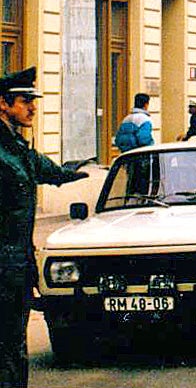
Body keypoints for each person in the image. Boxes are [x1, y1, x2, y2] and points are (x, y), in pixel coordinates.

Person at [0, 67, 89, 387]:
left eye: (33, 100)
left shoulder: (17, 147)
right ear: (3, 104)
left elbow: (48, 171)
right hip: (4, 267)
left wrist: (74, 171)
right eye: (25, 101)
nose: (33, 107)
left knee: (13, 345)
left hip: (17, 267)